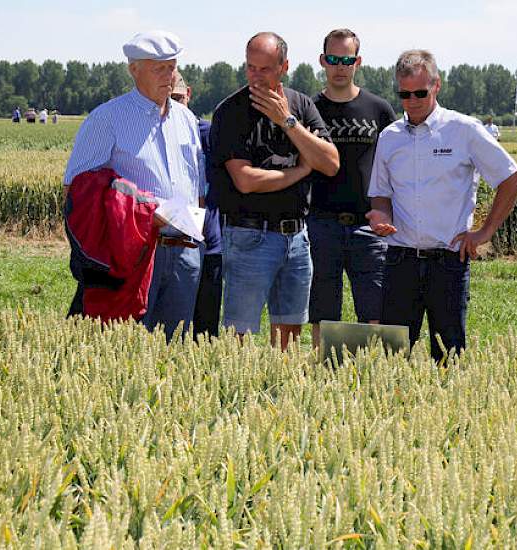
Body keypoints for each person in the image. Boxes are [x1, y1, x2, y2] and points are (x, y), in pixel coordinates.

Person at [366, 49, 517, 362]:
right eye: (404, 94)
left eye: (420, 93)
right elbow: (380, 194)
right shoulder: (389, 137)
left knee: (449, 357)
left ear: (436, 86)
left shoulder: (463, 130)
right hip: (400, 260)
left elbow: (512, 178)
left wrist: (484, 233)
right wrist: (380, 215)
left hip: (448, 261)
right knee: (392, 357)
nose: (411, 101)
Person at [64, 30, 206, 342]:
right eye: (159, 69)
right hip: (136, 253)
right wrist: (136, 218)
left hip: (185, 251)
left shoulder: (186, 119)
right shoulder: (107, 119)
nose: (169, 77)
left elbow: (198, 185)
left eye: (172, 67)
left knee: (175, 350)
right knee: (127, 345)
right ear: (133, 69)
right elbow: (77, 190)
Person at [209, 32, 340, 349]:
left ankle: (281, 389)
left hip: (296, 238)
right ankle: (235, 393)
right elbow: (246, 180)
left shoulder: (301, 106)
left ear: (284, 67)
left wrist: (288, 122)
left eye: (264, 68)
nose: (255, 75)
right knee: (238, 336)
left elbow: (331, 163)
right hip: (248, 235)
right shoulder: (231, 112)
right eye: (250, 67)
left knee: (290, 333)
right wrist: (299, 170)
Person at [307, 28, 396, 347]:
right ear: (322, 61)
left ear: (358, 62)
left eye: (347, 59)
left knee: (375, 306)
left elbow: (394, 164)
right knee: (321, 306)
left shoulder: (379, 109)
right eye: (333, 59)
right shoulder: (309, 109)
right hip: (320, 222)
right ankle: (322, 371)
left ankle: (375, 375)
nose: (340, 67)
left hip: (367, 223)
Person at [171, 69, 224, 338]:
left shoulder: (210, 134)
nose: (174, 106)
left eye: (178, 98)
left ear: (189, 94)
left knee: (205, 330)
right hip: (171, 245)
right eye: (168, 99)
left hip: (209, 243)